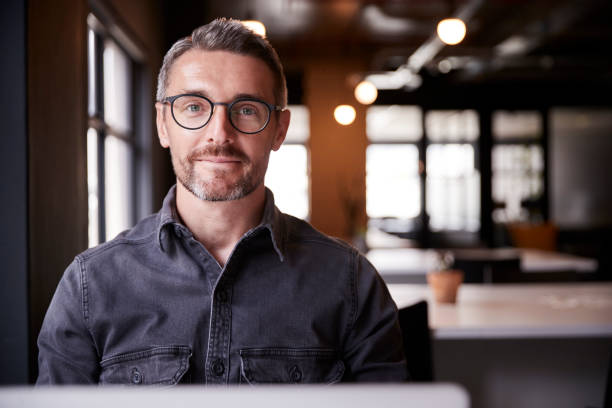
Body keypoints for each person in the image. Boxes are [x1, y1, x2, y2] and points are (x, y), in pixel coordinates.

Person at [37, 18, 407, 384]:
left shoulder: (351, 283)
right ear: (164, 124)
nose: (219, 133)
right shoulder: (90, 286)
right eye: (195, 107)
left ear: (279, 130)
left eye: (246, 109)